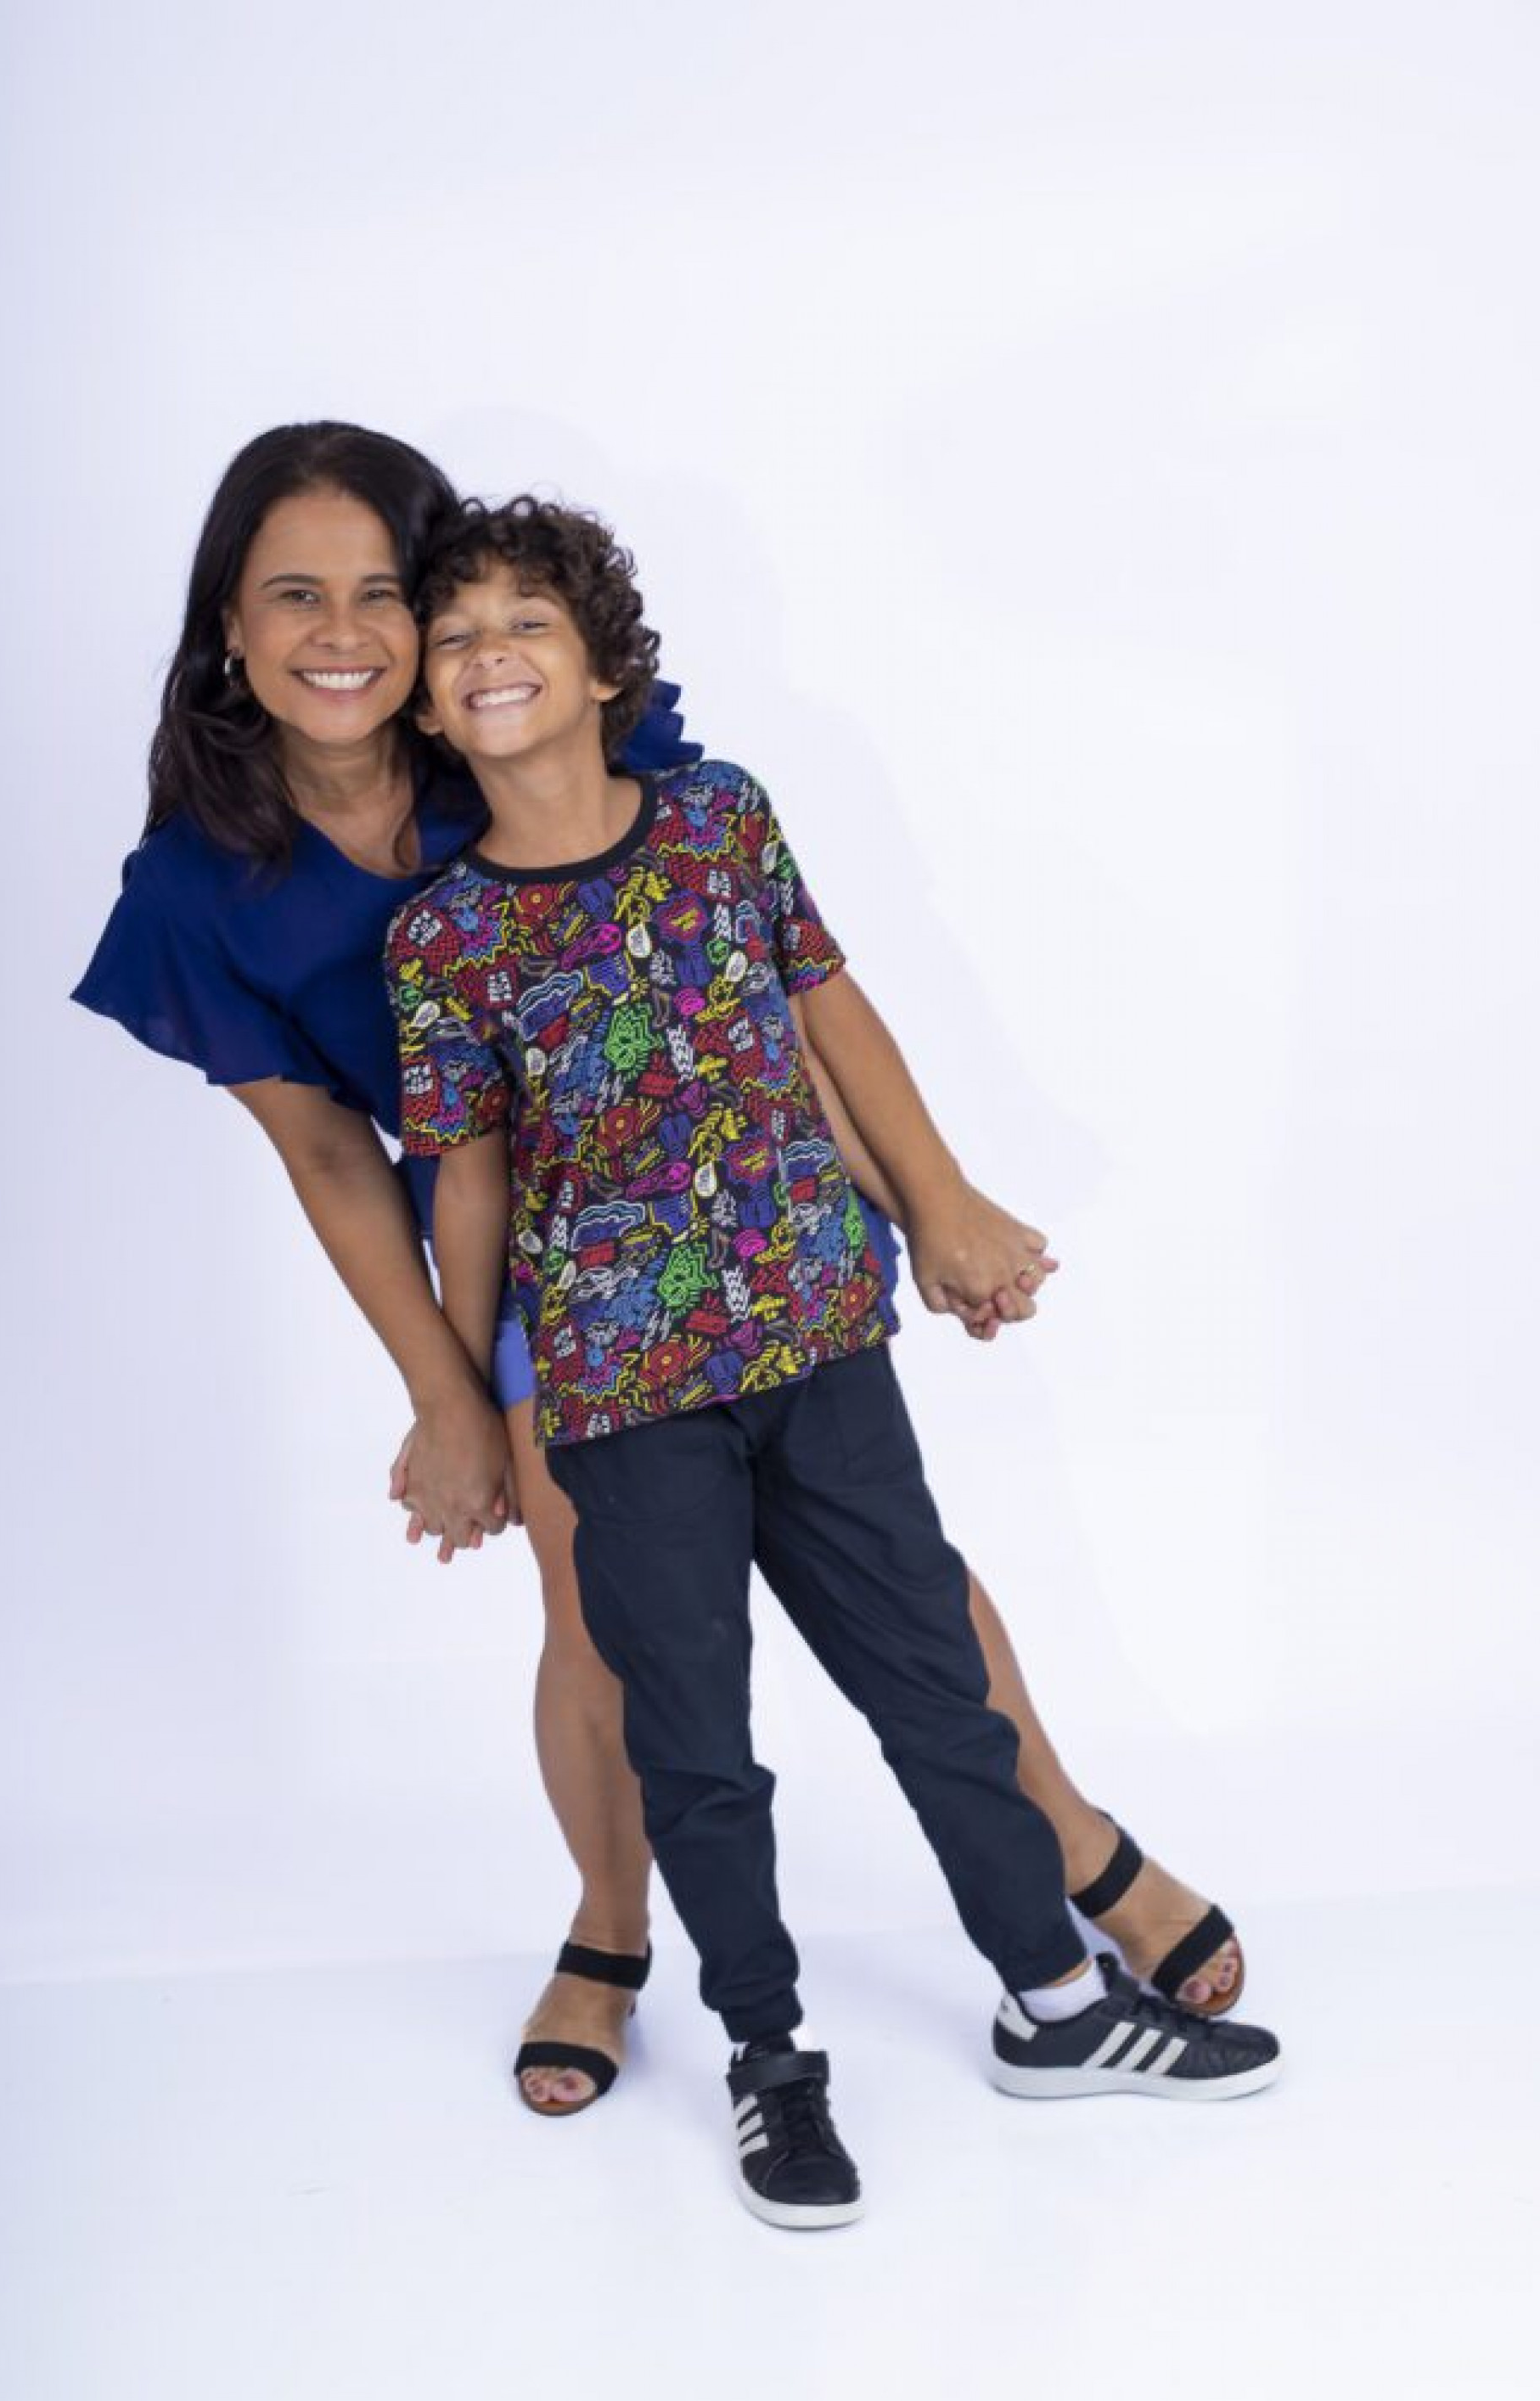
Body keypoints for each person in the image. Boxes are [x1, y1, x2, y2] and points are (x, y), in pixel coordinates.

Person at [73, 421, 1245, 2128]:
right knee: (603, 1619)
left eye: (386, 593)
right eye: (293, 596)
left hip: (756, 1220)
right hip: (551, 1278)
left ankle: (1073, 1846)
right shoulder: (203, 886)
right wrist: (449, 1393)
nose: (348, 633)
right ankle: (612, 1930)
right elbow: (338, 1156)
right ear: (228, 628)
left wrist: (932, 1200)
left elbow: (763, 986)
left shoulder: (529, 725)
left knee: (904, 1581)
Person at [384, 498, 1280, 2225]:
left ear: (603, 669)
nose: (492, 654)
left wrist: (942, 1205)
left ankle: (1059, 2003)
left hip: (818, 1333)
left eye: (528, 624)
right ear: (427, 702)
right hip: (622, 1392)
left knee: (935, 1681)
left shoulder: (722, 820)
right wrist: (467, 1399)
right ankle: (769, 2062)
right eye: (459, 637)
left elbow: (829, 1015)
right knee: (698, 1743)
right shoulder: (443, 940)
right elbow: (467, 1177)